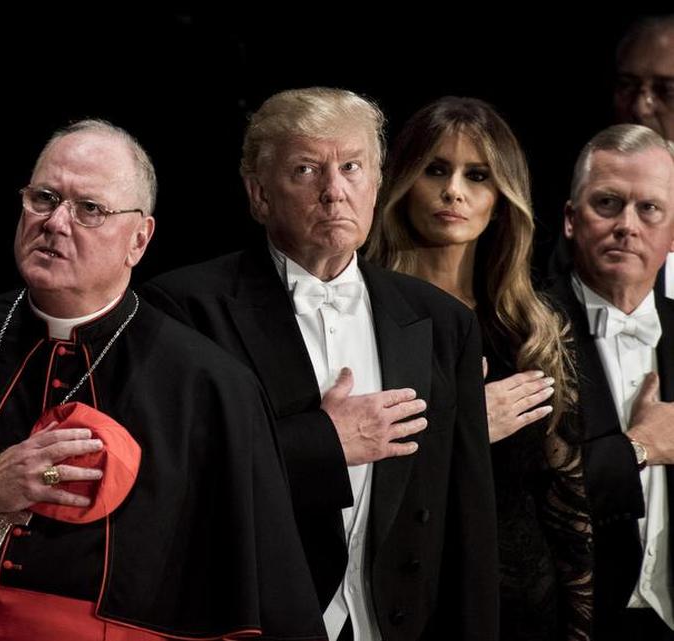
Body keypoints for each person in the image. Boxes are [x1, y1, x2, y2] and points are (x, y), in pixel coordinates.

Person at [0, 119, 325, 640]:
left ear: (139, 239)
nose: (55, 222)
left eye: (89, 209)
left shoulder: (211, 387)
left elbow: (271, 598)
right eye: (44, 197)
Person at [142, 88, 498, 641]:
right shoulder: (184, 310)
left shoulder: (442, 322)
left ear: (377, 186)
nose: (335, 192)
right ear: (259, 195)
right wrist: (320, 444)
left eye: (352, 168)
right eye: (307, 170)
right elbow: (170, 482)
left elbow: (469, 522)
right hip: (256, 622)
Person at [365, 96, 591, 640]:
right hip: (403, 601)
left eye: (478, 175)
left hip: (520, 601)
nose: (454, 191)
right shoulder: (361, 314)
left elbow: (566, 497)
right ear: (401, 182)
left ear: (502, 196)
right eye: (436, 170)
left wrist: (582, 623)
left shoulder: (535, 326)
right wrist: (465, 426)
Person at [550, 124, 674, 640]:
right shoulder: (522, 330)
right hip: (571, 620)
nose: (628, 225)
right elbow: (534, 497)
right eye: (608, 203)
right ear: (571, 220)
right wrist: (641, 446)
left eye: (649, 209)